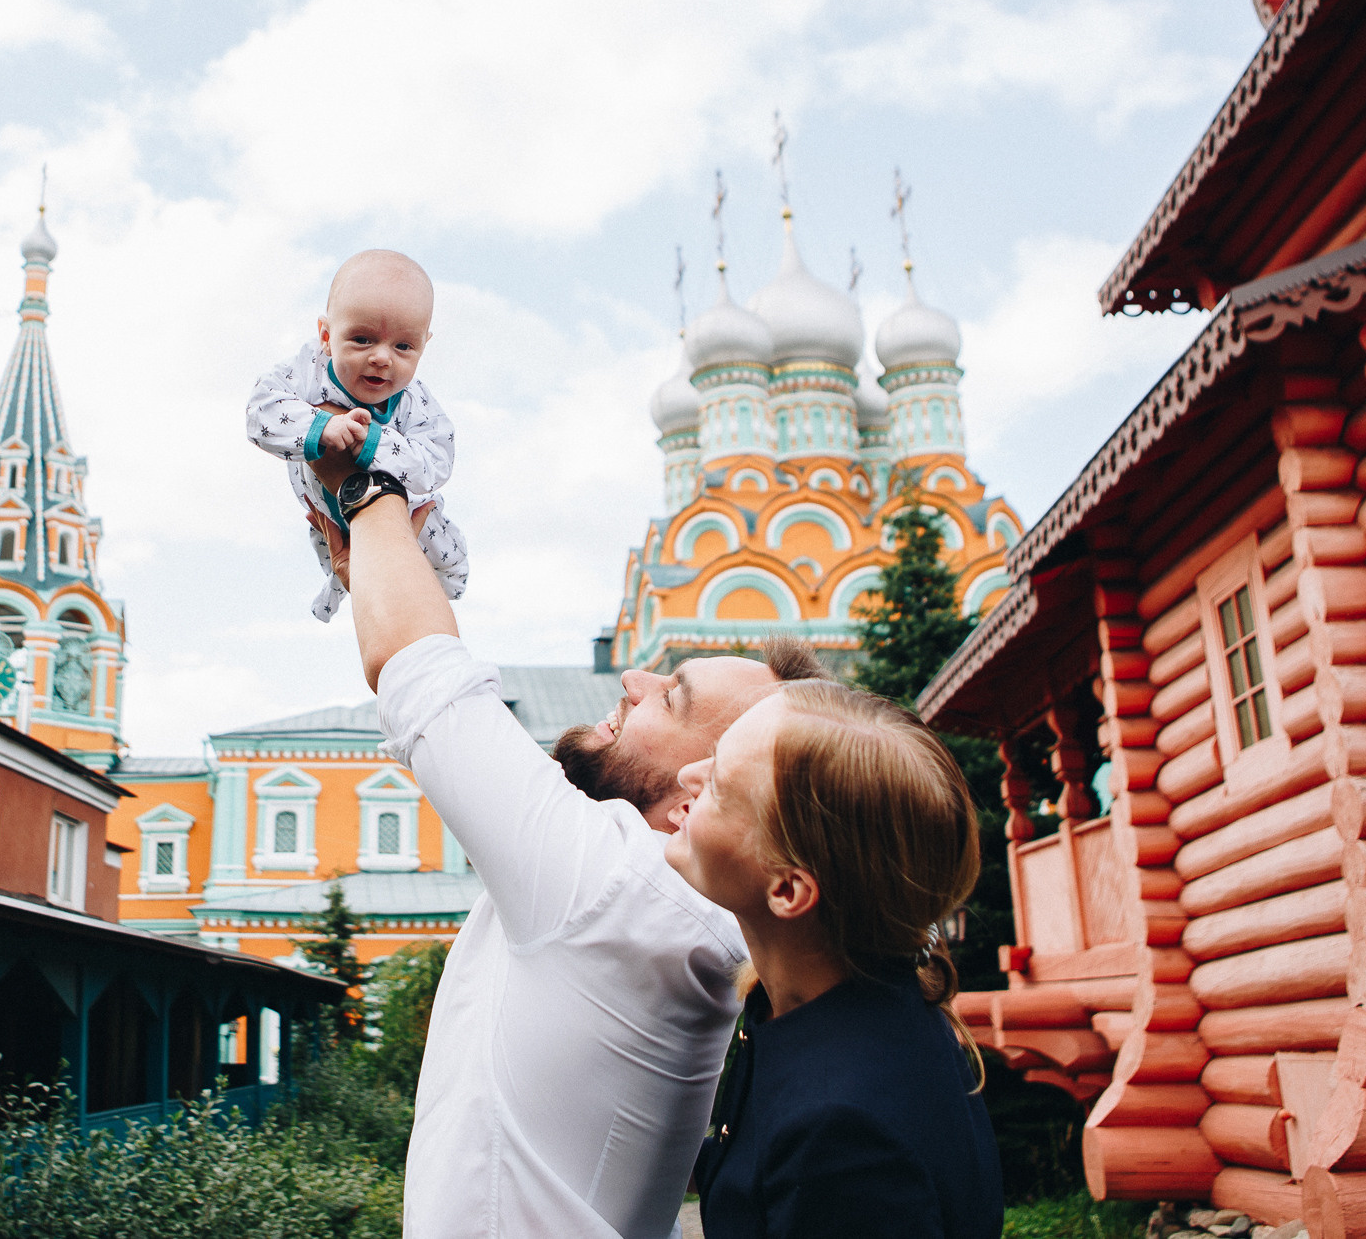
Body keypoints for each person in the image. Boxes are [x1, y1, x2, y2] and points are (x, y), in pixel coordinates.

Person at [331, 453, 813, 1239]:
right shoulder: (682, 906)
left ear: (697, 795)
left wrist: (365, 485)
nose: (633, 680)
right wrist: (383, 560)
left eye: (673, 696)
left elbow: (420, 675)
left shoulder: (617, 885)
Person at [670, 681, 1002, 1239]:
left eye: (720, 785)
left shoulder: (841, 1135)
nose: (688, 775)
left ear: (787, 889)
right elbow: (754, 1166)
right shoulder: (813, 1004)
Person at [245, 249, 469, 620]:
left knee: (441, 562)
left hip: (405, 512)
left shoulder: (415, 402)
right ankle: (347, 588)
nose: (382, 358)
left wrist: (375, 442)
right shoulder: (309, 369)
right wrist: (322, 425)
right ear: (326, 336)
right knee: (354, 571)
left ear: (424, 345)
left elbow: (437, 463)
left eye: (403, 346)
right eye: (362, 339)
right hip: (330, 510)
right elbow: (260, 412)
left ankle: (431, 603)